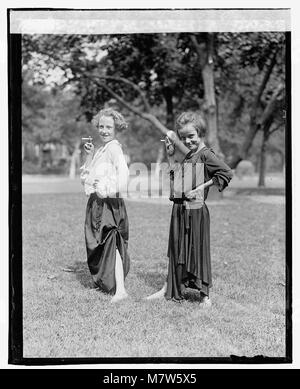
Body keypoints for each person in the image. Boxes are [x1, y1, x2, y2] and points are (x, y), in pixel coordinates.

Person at [146, 111, 233, 307]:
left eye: (191, 136)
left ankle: (205, 296)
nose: (187, 140)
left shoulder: (206, 154)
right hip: (179, 210)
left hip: (196, 211)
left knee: (197, 250)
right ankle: (169, 287)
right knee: (177, 249)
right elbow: (177, 183)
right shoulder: (189, 156)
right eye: (183, 137)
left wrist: (200, 188)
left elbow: (226, 172)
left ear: (200, 133)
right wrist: (170, 158)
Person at [80, 108, 130, 303]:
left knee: (111, 241)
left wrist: (107, 192)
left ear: (116, 128)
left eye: (108, 126)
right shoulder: (102, 149)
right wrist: (89, 156)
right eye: (101, 126)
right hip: (96, 203)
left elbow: (124, 175)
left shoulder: (114, 148)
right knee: (97, 243)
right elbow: (86, 178)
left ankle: (121, 291)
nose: (104, 130)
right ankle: (103, 282)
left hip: (108, 202)